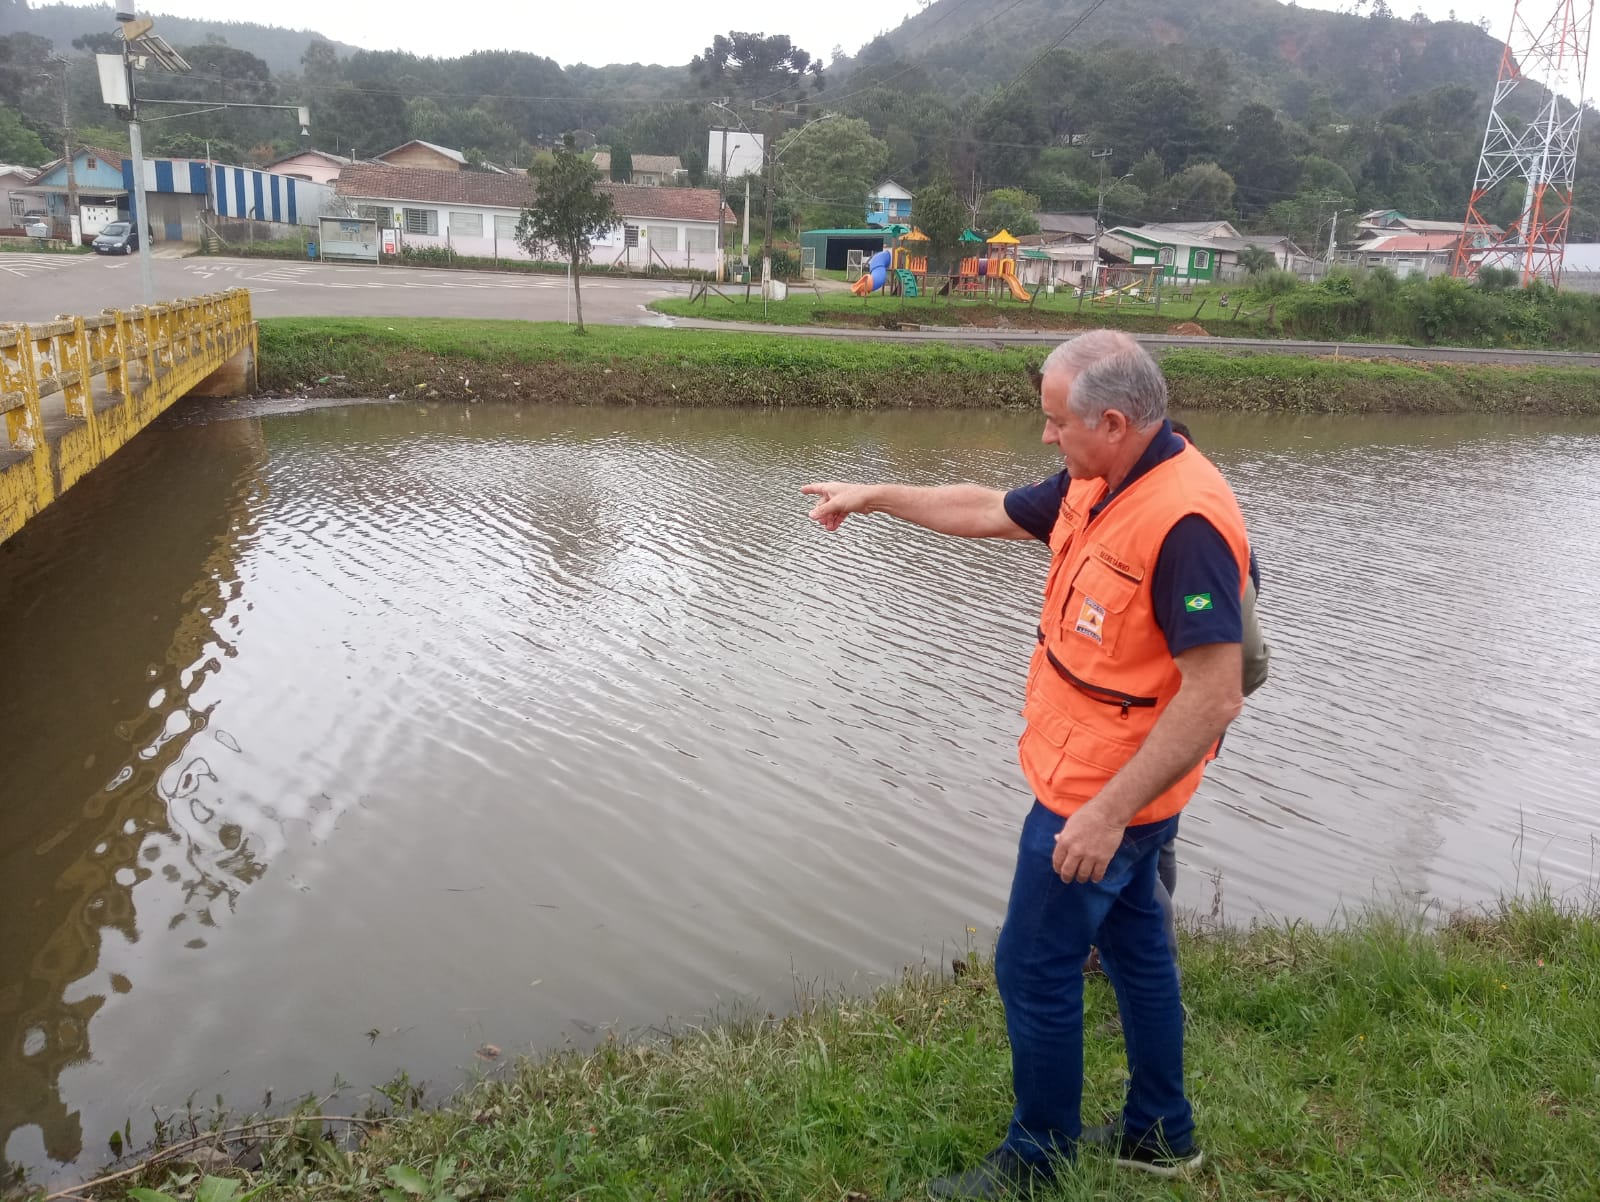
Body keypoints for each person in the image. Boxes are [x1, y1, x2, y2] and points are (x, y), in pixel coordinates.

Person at [801, 330, 1255, 1198]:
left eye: (1055, 422)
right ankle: (1162, 1136)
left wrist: (1108, 813)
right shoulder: (1106, 480)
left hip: (1101, 794)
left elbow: (1214, 693)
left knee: (1032, 963)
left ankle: (1038, 1160)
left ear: (1113, 421)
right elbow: (986, 509)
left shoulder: (1184, 520)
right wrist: (877, 496)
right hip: (1104, 779)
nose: (1046, 437)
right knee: (1138, 950)